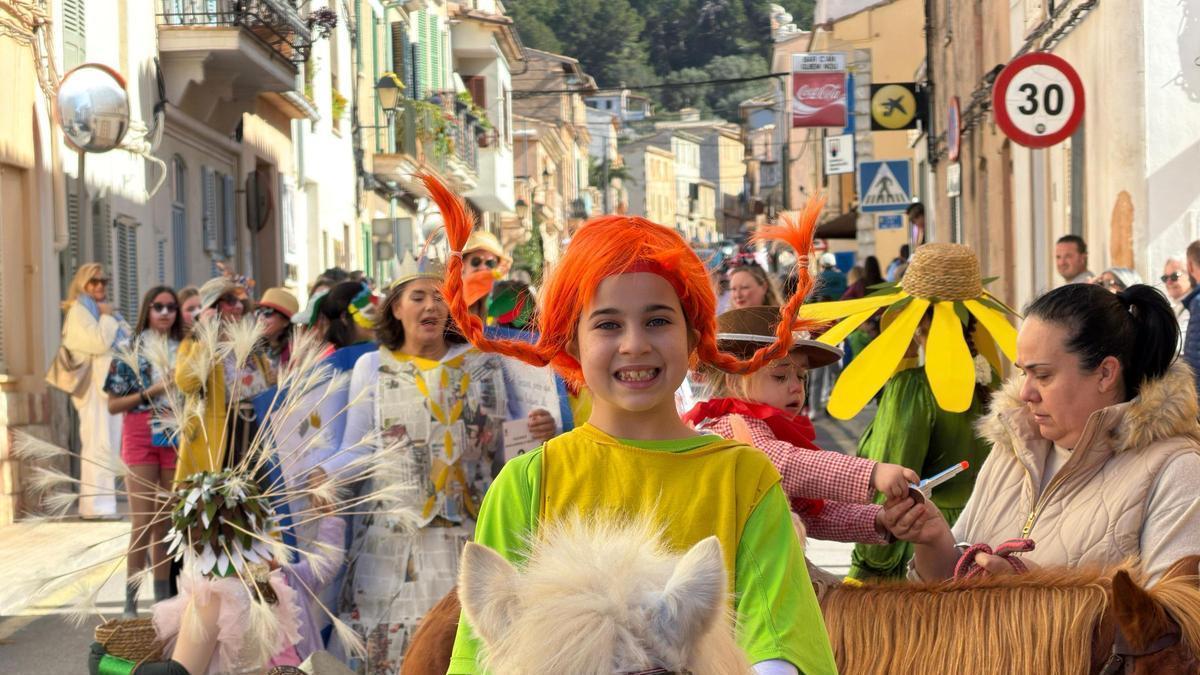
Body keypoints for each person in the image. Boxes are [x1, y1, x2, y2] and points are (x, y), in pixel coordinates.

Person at [429, 174, 839, 675]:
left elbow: (783, 643)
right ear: (571, 341)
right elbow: (484, 652)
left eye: (658, 320)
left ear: (694, 336)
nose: (635, 344)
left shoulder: (744, 478)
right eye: (607, 324)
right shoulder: (527, 482)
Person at [308, 253, 556, 673]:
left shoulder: (484, 363)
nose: (430, 306)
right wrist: (325, 476)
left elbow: (508, 450)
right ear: (396, 308)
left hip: (468, 543)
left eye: (440, 297)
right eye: (418, 297)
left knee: (460, 649)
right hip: (390, 548)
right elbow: (362, 448)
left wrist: (539, 430)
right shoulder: (373, 367)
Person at [885, 283, 1200, 585]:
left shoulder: (1177, 469)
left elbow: (1170, 616)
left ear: (1105, 373)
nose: (1025, 393)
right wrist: (934, 541)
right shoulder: (1015, 444)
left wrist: (1037, 592)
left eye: (1043, 375)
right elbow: (955, 585)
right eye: (1024, 372)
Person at [683, 306, 919, 546]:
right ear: (734, 382)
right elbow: (786, 464)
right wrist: (871, 473)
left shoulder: (765, 429)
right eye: (780, 376)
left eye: (801, 377)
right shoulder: (731, 426)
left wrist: (879, 519)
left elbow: (812, 514)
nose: (797, 387)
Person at [104, 286, 185, 616]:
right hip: (139, 432)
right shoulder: (129, 349)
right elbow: (113, 405)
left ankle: (162, 602)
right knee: (142, 521)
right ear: (147, 310)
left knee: (164, 522)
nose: (165, 313)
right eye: (158, 307)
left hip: (175, 432)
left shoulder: (187, 349)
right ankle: (130, 602)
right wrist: (152, 391)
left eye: (171, 307)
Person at [173, 276, 276, 480]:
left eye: (241, 301)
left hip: (256, 432)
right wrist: (206, 337)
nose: (238, 306)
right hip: (220, 437)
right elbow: (186, 383)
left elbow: (266, 386)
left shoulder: (250, 344)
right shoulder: (193, 343)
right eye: (230, 300)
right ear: (211, 307)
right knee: (221, 496)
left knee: (256, 494)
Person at [60, 262, 129, 518]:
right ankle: (97, 507)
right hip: (93, 389)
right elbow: (99, 343)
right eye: (93, 281)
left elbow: (128, 339)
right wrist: (108, 317)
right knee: (98, 444)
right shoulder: (80, 312)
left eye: (103, 281)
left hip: (109, 386)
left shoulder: (100, 310)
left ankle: (101, 505)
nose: (99, 286)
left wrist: (110, 317)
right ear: (82, 284)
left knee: (108, 444)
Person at [255, 286, 299, 371]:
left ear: (286, 321)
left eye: (267, 312)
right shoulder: (251, 349)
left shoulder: (296, 354)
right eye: (259, 311)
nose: (260, 317)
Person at [1161, 256, 1192, 343]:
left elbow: (1179, 343)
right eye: (1165, 278)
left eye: (1174, 276)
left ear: (1189, 274)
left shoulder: (1194, 305)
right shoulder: (1176, 305)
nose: (1169, 282)